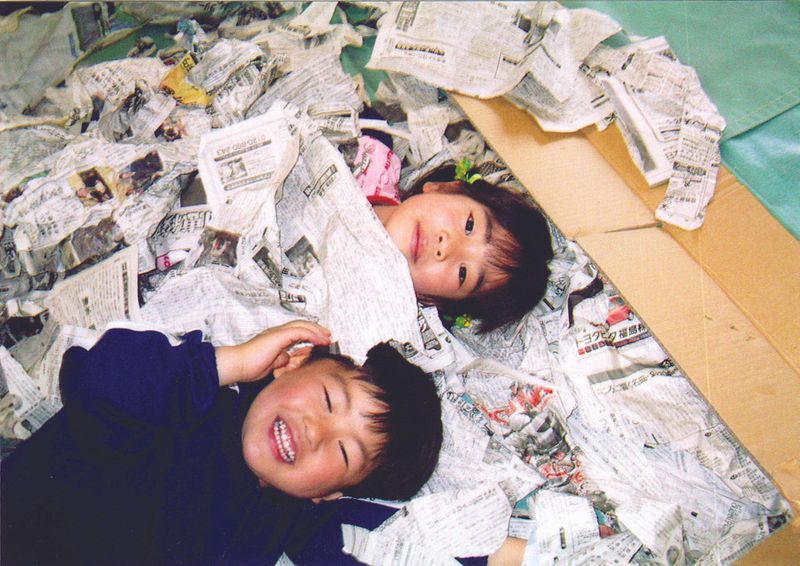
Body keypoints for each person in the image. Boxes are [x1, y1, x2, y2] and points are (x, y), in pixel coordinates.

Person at [0, 321, 443, 565]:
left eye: (343, 452)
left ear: (330, 493)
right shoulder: (189, 396)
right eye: (328, 400)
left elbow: (375, 542)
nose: (316, 432)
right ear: (293, 364)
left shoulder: (286, 522)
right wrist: (228, 363)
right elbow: (93, 378)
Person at [372, 162, 554, 333]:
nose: (445, 246)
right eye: (469, 225)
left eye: (463, 273)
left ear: (433, 302)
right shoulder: (370, 157)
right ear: (445, 188)